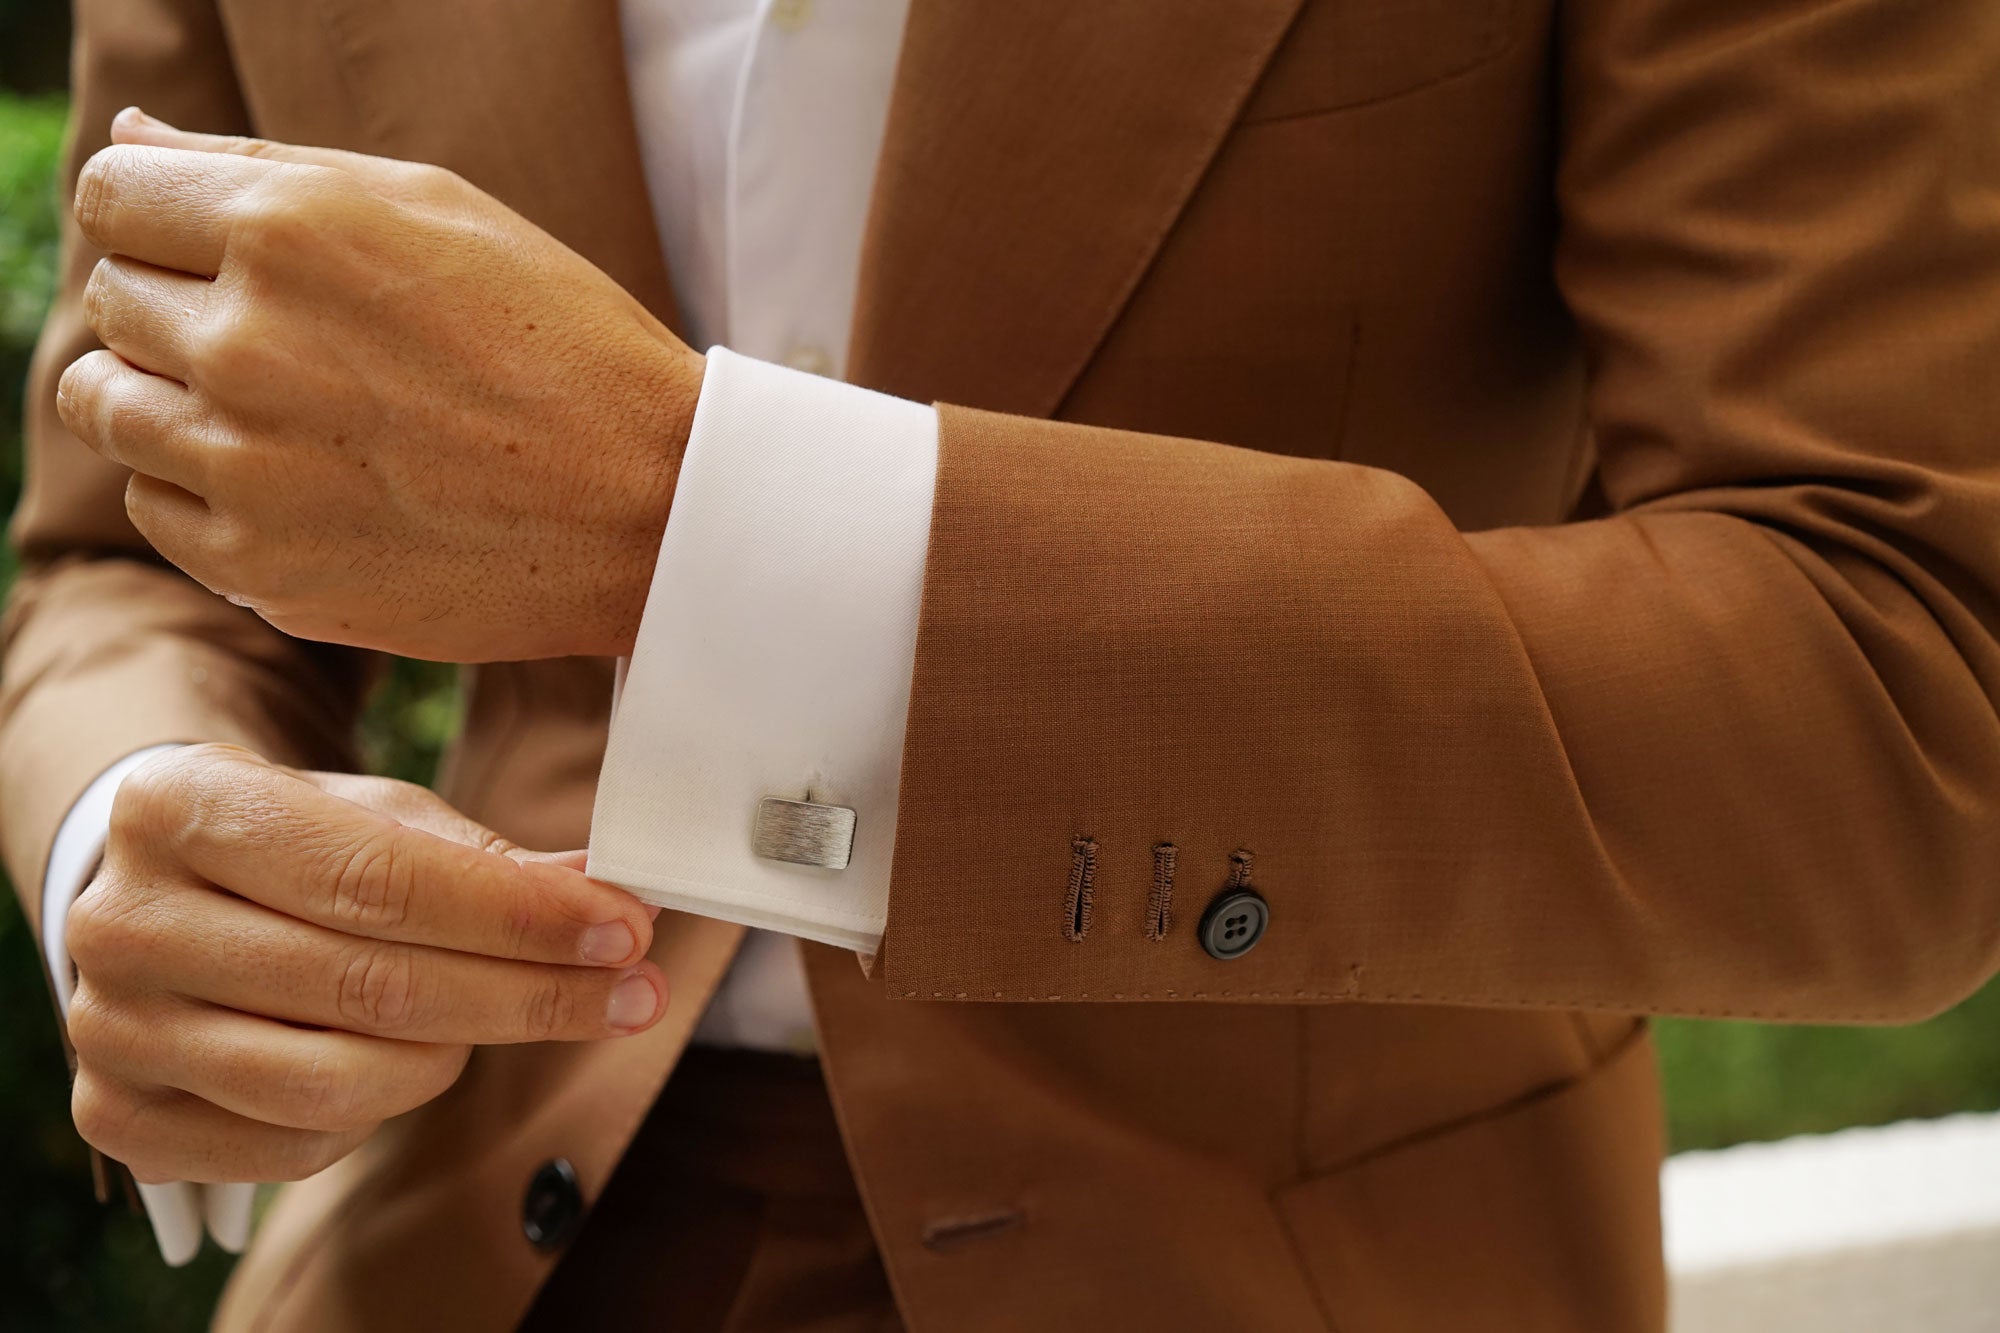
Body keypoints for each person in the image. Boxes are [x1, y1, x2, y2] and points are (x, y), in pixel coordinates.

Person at [8, 0, 2000, 1329]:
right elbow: (117, 555)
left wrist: (700, 516)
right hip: (461, 1245)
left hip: (1302, 1259)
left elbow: (1901, 699)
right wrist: (142, 828)